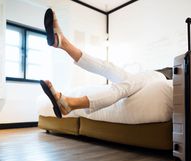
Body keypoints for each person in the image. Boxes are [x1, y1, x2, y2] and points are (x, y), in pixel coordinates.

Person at [41, 8, 172, 118]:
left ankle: (71, 103)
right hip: (152, 74)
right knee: (109, 68)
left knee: (123, 86)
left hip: (161, 76)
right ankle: (63, 43)